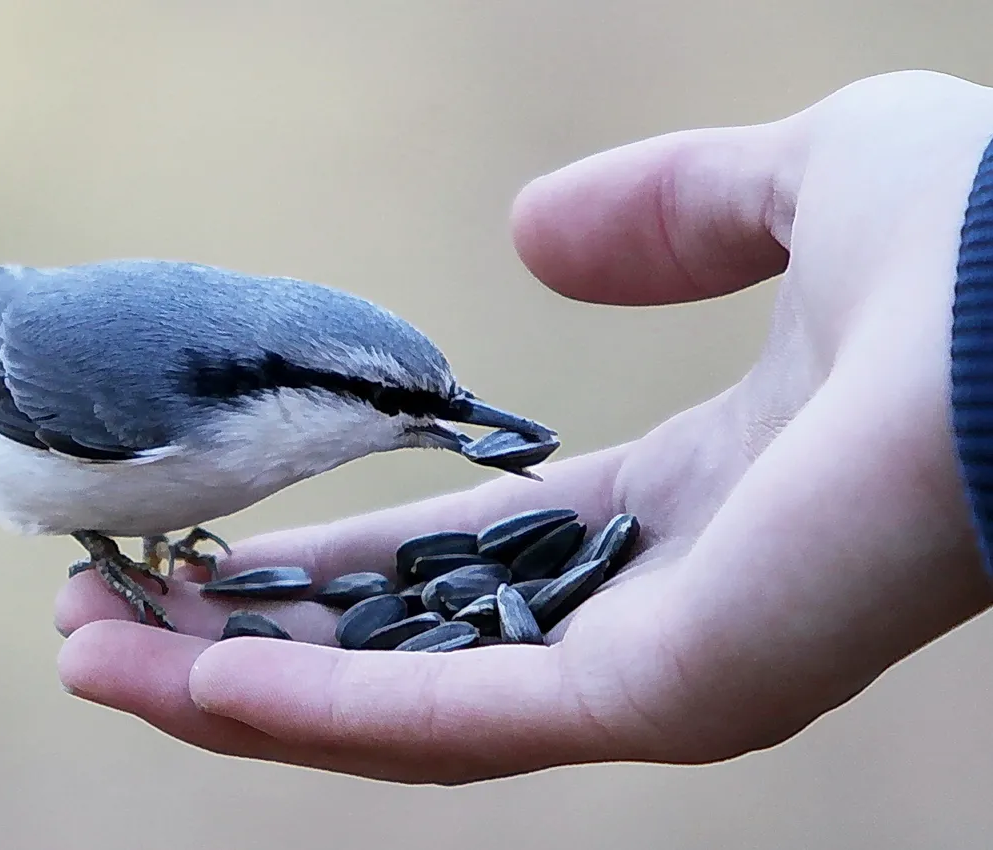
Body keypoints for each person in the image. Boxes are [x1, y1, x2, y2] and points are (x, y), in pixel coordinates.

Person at [53, 69, 993, 785]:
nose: (451, 428)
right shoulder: (158, 398)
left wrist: (949, 351)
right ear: (292, 385)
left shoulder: (245, 411)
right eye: (395, 405)